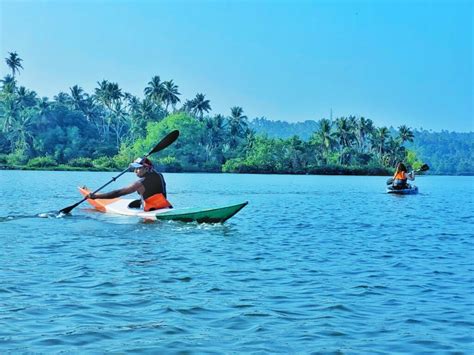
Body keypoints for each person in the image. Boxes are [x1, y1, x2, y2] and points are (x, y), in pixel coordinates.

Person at [87, 157, 172, 211]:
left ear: (146, 168)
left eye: (138, 169)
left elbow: (118, 193)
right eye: (135, 169)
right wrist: (142, 160)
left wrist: (96, 197)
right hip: (165, 206)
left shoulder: (140, 183)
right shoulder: (160, 175)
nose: (135, 171)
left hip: (151, 210)